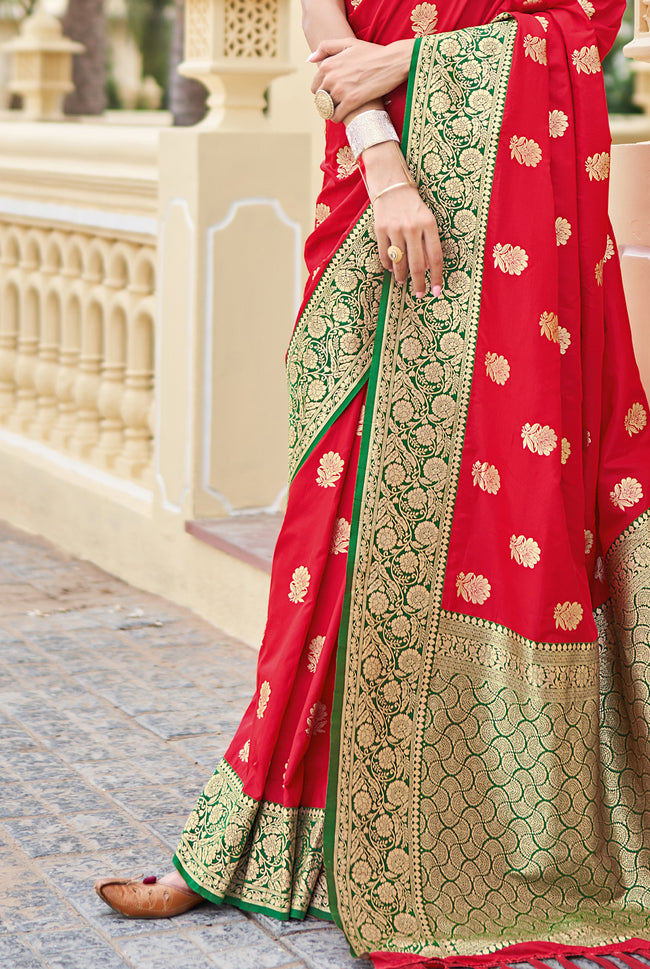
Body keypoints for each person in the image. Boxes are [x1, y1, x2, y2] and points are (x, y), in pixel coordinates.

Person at [95, 1, 650, 966]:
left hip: (513, 199)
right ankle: (254, 827)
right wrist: (383, 157)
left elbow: (580, 27)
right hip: (371, 177)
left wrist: (410, 60)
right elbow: (328, 25)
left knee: (508, 507)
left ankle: (500, 840)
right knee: (330, 512)